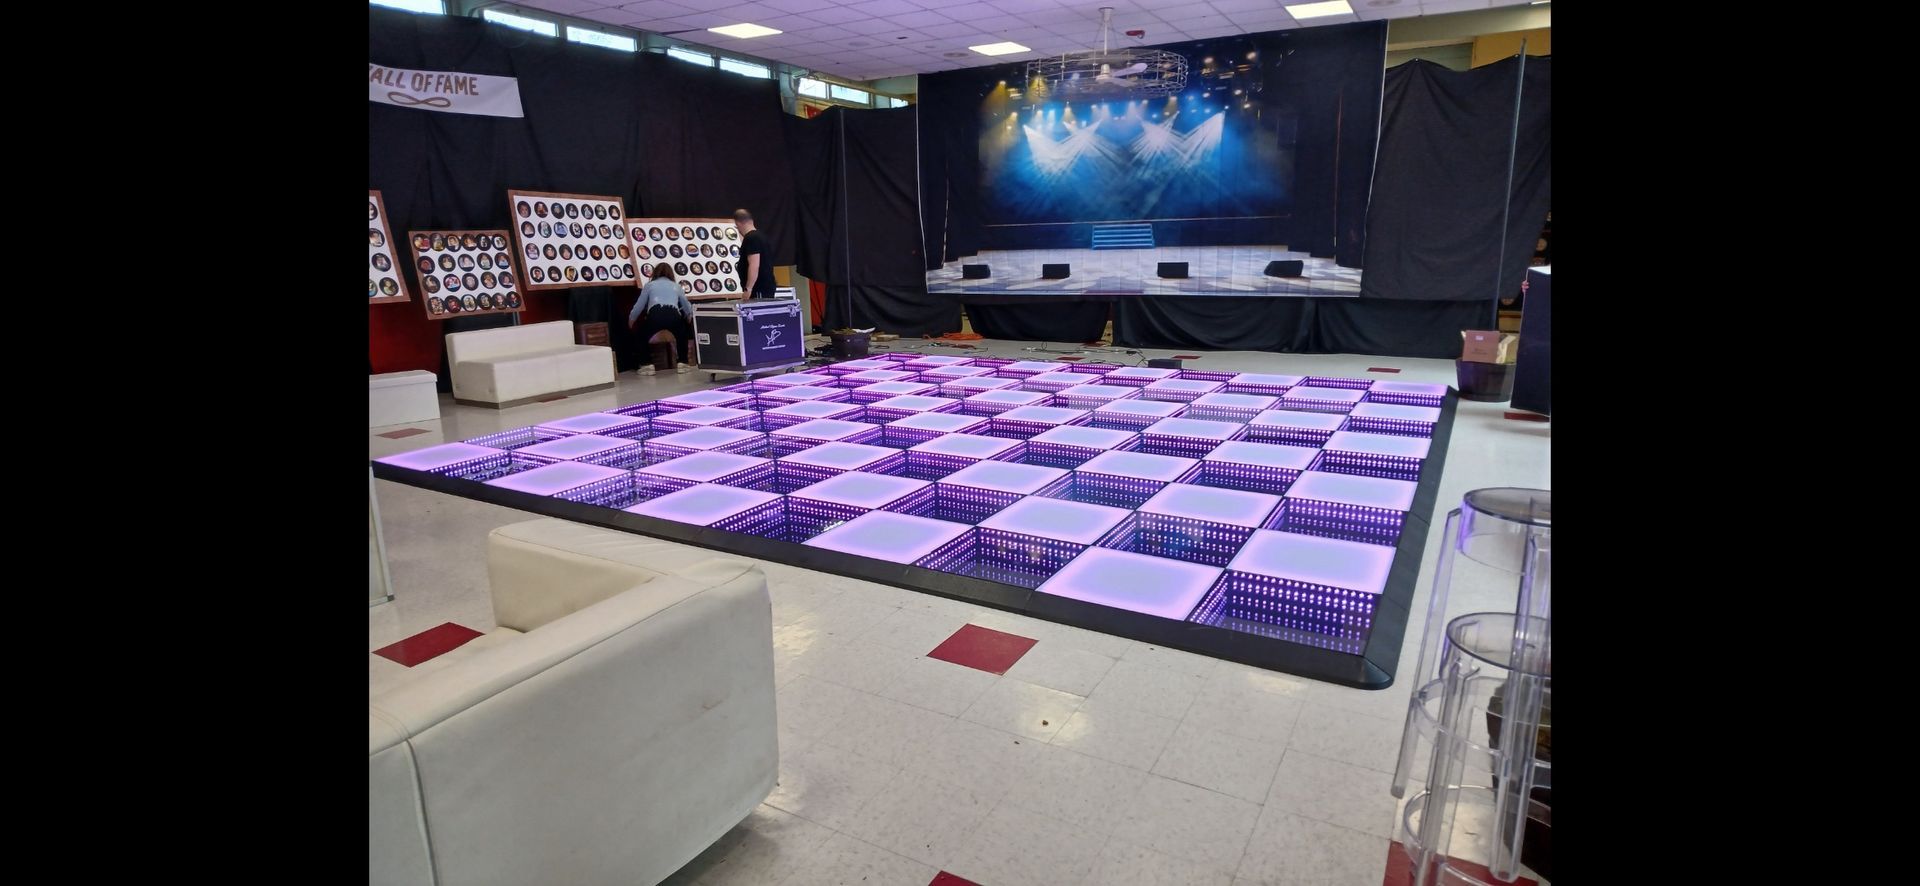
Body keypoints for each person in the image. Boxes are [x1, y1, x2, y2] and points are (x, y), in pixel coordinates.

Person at [627, 262, 696, 374]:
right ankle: (683, 363)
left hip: (655, 313)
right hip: (673, 313)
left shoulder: (650, 285)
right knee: (681, 335)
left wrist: (632, 319)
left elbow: (639, 305)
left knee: (641, 336)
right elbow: (686, 305)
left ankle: (647, 365)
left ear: (655, 273)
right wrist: (689, 316)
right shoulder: (676, 286)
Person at [733, 208, 777, 300]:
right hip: (764, 288)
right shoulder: (761, 236)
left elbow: (754, 265)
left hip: (758, 290)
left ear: (738, 224)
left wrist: (748, 289)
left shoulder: (751, 238)